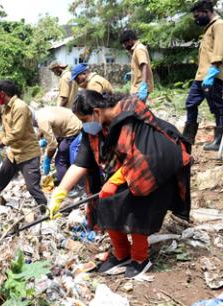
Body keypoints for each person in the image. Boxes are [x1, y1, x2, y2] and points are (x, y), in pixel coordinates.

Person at [49, 90, 192, 279]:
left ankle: (140, 259)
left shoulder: (131, 116)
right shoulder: (93, 130)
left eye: (85, 119)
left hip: (155, 169)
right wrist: (59, 193)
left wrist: (115, 181)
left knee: (137, 204)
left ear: (97, 112)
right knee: (105, 200)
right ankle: (122, 253)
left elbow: (141, 157)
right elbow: (80, 163)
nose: (85, 125)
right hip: (128, 171)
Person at [0, 80, 48, 211]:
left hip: (28, 154)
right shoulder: (7, 107)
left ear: (2, 93)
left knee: (32, 187)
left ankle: (47, 212)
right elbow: (5, 130)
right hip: (13, 154)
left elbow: (17, 132)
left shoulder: (20, 107)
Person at [183, 0, 223, 151]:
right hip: (200, 77)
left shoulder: (219, 25)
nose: (196, 18)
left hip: (213, 75)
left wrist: (213, 72)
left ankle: (219, 141)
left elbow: (220, 49)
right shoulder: (208, 28)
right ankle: (187, 139)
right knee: (190, 103)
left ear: (207, 11)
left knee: (218, 108)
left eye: (197, 15)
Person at [34, 106, 82, 185]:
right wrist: (45, 140)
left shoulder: (41, 121)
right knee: (64, 152)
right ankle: (69, 178)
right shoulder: (40, 113)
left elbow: (53, 146)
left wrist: (47, 160)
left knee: (60, 161)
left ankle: (68, 186)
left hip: (73, 130)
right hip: (75, 122)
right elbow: (50, 127)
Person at [120, 30, 154, 103]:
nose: (125, 46)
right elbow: (139, 66)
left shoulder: (139, 49)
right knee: (138, 111)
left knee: (135, 112)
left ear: (130, 40)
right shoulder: (136, 49)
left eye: (125, 44)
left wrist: (143, 85)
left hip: (139, 88)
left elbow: (144, 65)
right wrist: (132, 73)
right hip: (137, 87)